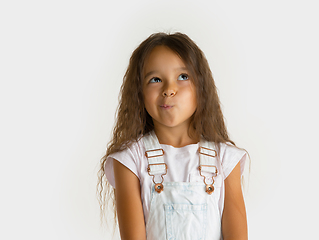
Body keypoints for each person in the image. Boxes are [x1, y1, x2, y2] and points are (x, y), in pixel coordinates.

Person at [98, 32, 248, 240]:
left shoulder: (225, 158)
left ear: (202, 87)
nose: (169, 89)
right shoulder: (130, 159)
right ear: (139, 92)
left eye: (183, 77)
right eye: (155, 79)